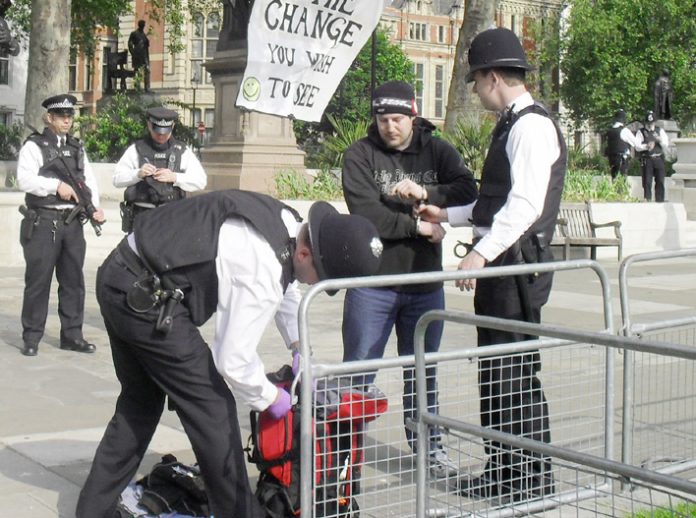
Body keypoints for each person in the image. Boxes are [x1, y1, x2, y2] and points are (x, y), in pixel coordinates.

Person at [75, 189, 383, 518]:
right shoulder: (261, 265)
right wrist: (270, 399)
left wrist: (299, 348)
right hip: (145, 300)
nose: (315, 285)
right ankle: (239, 513)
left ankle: (93, 510)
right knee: (213, 406)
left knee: (140, 404)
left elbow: (288, 285)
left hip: (121, 277)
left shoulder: (286, 222)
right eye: (321, 277)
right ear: (307, 254)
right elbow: (233, 360)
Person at [418, 27, 566, 501]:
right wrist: (447, 215)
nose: (476, 89)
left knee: (514, 372)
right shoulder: (512, 123)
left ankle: (530, 479)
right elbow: (493, 203)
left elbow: (523, 207)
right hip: (504, 266)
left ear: (493, 76)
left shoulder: (532, 126)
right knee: (495, 372)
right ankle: (505, 472)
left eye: (477, 80)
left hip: (515, 269)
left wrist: (479, 254)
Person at [340, 80, 478, 477]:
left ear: (413, 115)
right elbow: (367, 214)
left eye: (398, 119)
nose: (390, 127)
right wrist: (418, 227)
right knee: (358, 372)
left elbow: (468, 189)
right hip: (373, 285)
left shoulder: (437, 149)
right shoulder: (359, 155)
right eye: (383, 119)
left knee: (423, 373)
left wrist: (427, 191)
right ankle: (345, 456)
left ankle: (429, 452)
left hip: (423, 285)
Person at [16, 94, 106, 357]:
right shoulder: (34, 146)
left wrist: (96, 207)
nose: (66, 120)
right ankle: (31, 336)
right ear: (49, 118)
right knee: (38, 282)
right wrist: (55, 186)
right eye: (61, 116)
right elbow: (25, 180)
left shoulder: (77, 148)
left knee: (73, 282)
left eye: (70, 116)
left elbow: (87, 180)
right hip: (44, 220)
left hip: (72, 223)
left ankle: (72, 335)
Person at [113, 107, 206, 233]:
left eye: (165, 132)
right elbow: (117, 179)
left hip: (171, 215)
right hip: (141, 216)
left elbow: (201, 181)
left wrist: (175, 177)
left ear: (172, 126)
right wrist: (138, 174)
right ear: (149, 125)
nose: (161, 136)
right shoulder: (136, 149)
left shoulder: (182, 151)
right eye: (157, 131)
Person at [635, 110, 670, 202]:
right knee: (647, 181)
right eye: (648, 123)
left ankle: (660, 200)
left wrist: (660, 140)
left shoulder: (659, 130)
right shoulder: (641, 132)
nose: (650, 125)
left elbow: (666, 144)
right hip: (647, 159)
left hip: (658, 158)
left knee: (660, 181)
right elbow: (637, 146)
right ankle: (648, 199)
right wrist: (646, 146)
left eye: (651, 122)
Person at [605, 108, 637, 180]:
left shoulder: (610, 130)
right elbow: (635, 142)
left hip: (611, 158)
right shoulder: (624, 130)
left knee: (614, 178)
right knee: (622, 180)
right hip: (622, 158)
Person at [128, 19, 150, 91]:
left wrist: (147, 42)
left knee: (147, 70)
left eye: (144, 25)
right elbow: (130, 44)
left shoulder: (143, 35)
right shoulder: (134, 33)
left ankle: (147, 87)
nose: (143, 26)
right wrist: (133, 53)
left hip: (144, 56)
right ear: (140, 25)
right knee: (137, 71)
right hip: (137, 55)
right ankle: (137, 86)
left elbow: (146, 45)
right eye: (142, 25)